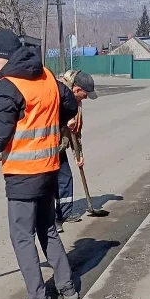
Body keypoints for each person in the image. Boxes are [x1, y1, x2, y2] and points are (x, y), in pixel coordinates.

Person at [0, 29, 80, 299]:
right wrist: (48, 126)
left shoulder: (7, 86)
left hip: (23, 176)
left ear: (5, 55)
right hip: (48, 169)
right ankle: (67, 287)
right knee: (47, 229)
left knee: (22, 237)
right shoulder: (46, 76)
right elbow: (70, 104)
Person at [55, 70, 98, 232]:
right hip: (45, 148)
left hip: (60, 148)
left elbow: (76, 132)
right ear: (77, 89)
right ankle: (51, 221)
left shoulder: (76, 103)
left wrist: (78, 155)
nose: (85, 98)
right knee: (48, 184)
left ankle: (64, 213)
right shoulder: (56, 94)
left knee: (65, 178)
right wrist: (64, 119)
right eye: (85, 95)